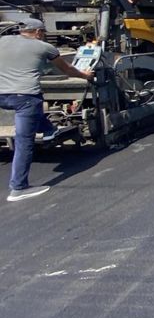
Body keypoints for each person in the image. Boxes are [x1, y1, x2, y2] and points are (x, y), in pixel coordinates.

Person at [0, 18, 94, 202]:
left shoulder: (2, 40)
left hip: (2, 95)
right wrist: (86, 75)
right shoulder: (44, 47)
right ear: (38, 32)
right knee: (24, 141)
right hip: (25, 96)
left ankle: (49, 130)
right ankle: (18, 188)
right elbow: (67, 70)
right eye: (43, 32)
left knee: (33, 112)